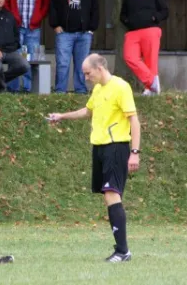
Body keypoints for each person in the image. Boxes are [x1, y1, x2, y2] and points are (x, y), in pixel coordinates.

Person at [48, 53, 141, 263]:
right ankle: (121, 249)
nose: (86, 78)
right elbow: (87, 111)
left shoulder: (121, 87)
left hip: (116, 147)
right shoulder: (98, 90)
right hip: (99, 148)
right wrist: (62, 116)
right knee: (108, 195)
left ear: (100, 68)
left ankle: (122, 251)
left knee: (112, 193)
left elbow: (134, 121)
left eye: (88, 73)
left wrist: (134, 152)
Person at [3, 0, 50, 93]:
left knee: (32, 58)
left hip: (33, 27)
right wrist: (11, 18)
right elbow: (5, 1)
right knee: (15, 58)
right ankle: (13, 88)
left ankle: (29, 88)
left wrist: (39, 16)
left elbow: (46, 3)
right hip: (16, 26)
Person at [50, 0, 99, 94]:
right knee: (62, 64)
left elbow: (95, 10)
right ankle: (60, 91)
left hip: (84, 33)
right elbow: (53, 7)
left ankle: (81, 90)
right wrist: (55, 25)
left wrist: (91, 28)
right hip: (64, 33)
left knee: (82, 65)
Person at [120, 0, 169, 96]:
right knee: (129, 57)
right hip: (133, 32)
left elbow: (164, 11)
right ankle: (153, 81)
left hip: (150, 30)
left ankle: (150, 89)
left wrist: (154, 18)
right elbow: (122, 14)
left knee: (150, 60)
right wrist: (128, 21)